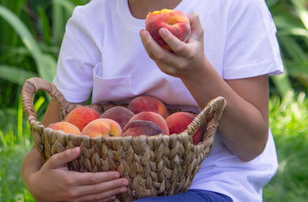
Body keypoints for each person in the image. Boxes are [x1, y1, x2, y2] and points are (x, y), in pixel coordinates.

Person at [21, 0, 284, 201]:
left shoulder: (235, 7)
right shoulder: (92, 20)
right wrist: (36, 183)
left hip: (213, 184)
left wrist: (196, 71)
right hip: (117, 187)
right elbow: (44, 146)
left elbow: (251, 145)